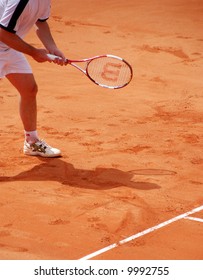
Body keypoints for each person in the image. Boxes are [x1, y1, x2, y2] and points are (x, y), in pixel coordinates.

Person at [0, 0, 66, 157]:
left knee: (29, 89)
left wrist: (52, 47)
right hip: (5, 40)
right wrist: (35, 53)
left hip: (9, 47)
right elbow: (3, 33)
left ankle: (32, 142)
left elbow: (40, 23)